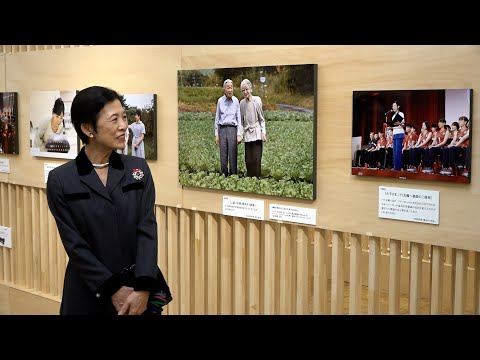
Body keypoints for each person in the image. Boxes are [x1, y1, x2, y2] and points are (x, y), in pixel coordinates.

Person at [46, 86, 169, 315]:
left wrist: (142, 288)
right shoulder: (61, 180)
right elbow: (75, 245)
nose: (124, 125)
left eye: (124, 116)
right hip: (88, 293)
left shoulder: (138, 169)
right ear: (87, 128)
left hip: (137, 292)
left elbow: (147, 230)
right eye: (114, 119)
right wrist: (113, 289)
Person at [214, 79, 243, 177]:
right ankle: (224, 176)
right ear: (224, 89)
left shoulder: (236, 101)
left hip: (232, 130)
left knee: (233, 154)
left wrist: (239, 134)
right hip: (222, 129)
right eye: (228, 88)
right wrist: (216, 135)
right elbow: (217, 119)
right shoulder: (220, 101)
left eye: (231, 87)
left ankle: (234, 176)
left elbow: (239, 119)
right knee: (223, 155)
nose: (230, 90)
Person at [240, 79, 267, 178]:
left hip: (256, 132)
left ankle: (257, 178)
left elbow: (262, 119)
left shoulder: (257, 100)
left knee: (256, 158)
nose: (245, 92)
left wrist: (263, 132)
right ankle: (250, 178)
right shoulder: (242, 103)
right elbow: (241, 121)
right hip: (247, 133)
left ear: (251, 89)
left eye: (246, 89)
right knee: (248, 159)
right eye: (243, 90)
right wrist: (240, 134)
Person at [387, 100, 405, 171]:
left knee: (398, 151)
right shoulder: (393, 116)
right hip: (394, 134)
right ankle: (395, 166)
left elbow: (403, 124)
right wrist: (390, 127)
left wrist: (399, 123)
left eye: (394, 105)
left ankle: (398, 167)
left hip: (399, 133)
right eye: (392, 106)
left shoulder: (401, 114)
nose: (393, 107)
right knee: (394, 152)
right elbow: (394, 126)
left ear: (398, 106)